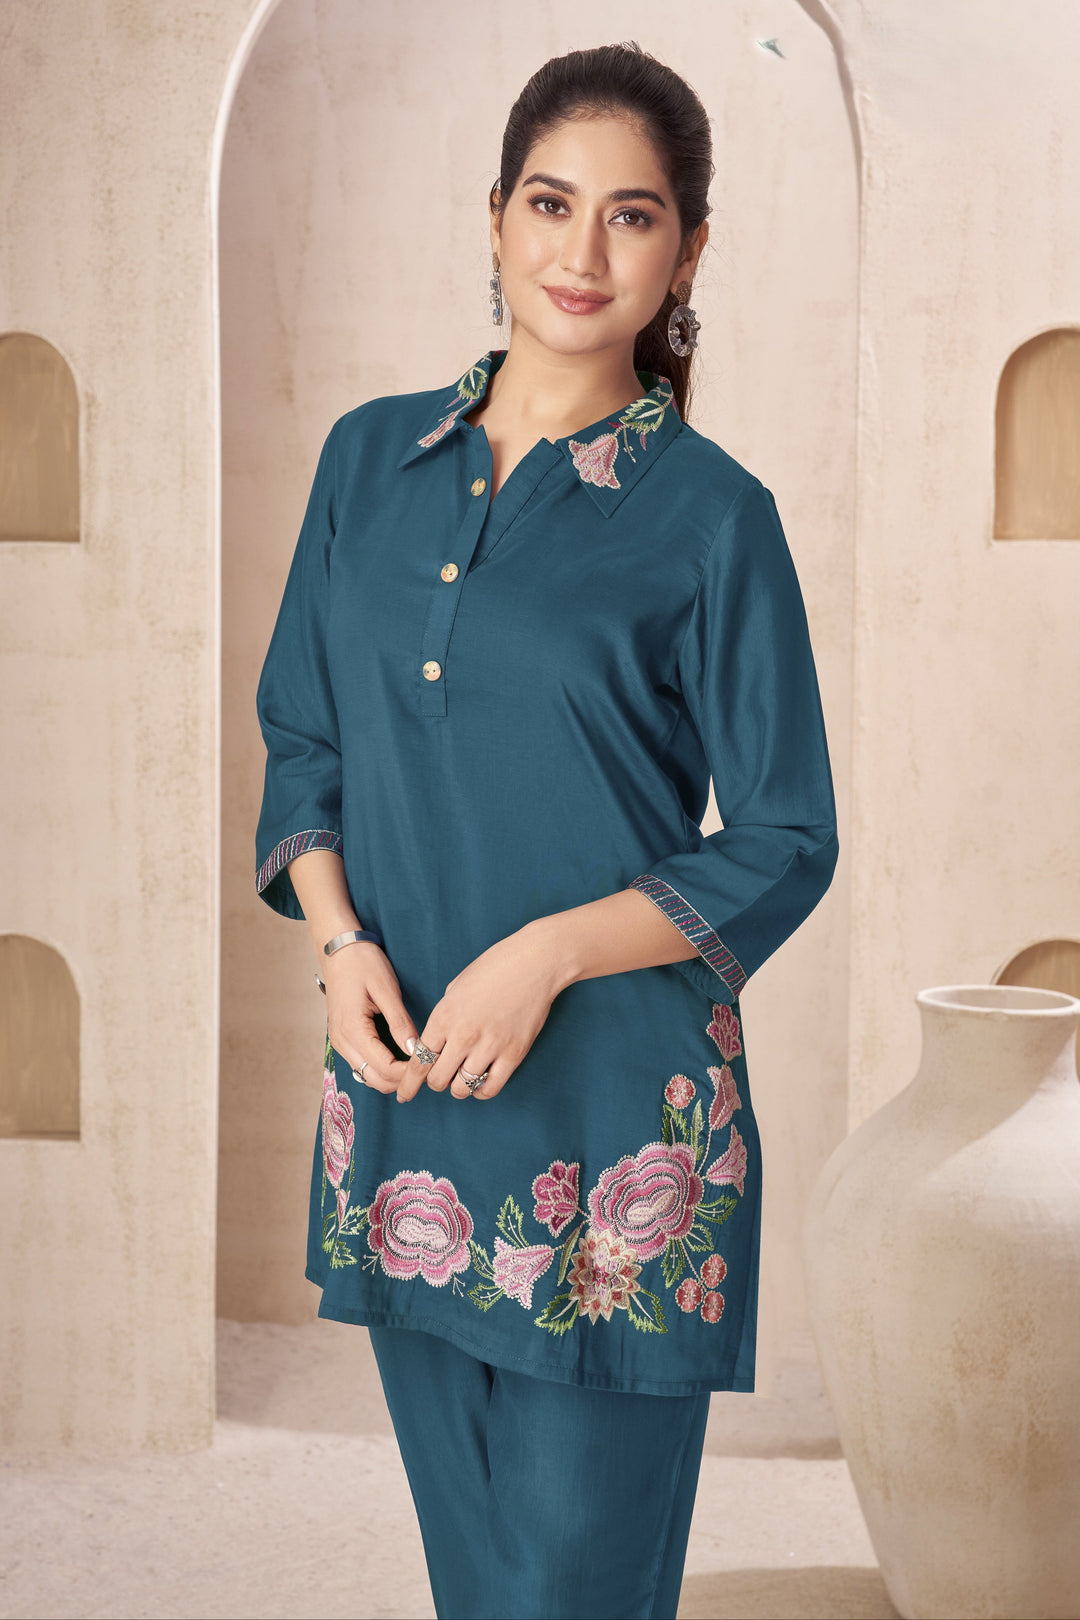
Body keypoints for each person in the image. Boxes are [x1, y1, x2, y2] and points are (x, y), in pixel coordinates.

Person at [253, 39, 838, 1620]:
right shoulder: (370, 461)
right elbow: (305, 730)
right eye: (551, 203)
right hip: (406, 1103)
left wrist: (549, 954)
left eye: (632, 216)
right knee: (480, 1585)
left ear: (687, 251)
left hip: (617, 1125)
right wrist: (338, 945)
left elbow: (787, 834)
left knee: (574, 1588)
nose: (583, 252)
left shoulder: (714, 517)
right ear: (496, 216)